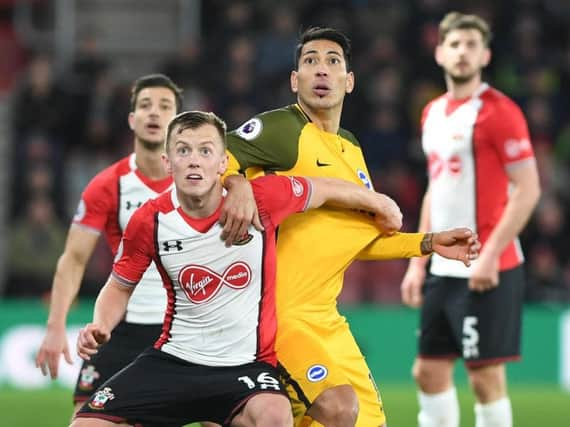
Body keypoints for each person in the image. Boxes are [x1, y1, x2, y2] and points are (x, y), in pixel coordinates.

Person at [72, 110, 426, 427]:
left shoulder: (261, 200)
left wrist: (378, 201)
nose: (194, 161)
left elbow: (324, 189)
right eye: (183, 151)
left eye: (205, 151)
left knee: (275, 415)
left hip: (245, 365)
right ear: (168, 162)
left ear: (222, 162)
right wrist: (100, 324)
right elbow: (119, 286)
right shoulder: (149, 220)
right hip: (175, 359)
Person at [220, 27, 481, 427]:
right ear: (295, 81)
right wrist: (235, 181)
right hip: (279, 315)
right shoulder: (282, 130)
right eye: (310, 62)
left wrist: (428, 243)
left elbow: (361, 239)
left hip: (327, 319)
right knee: (339, 409)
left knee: (368, 421)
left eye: (332, 62)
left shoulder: (351, 148)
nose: (321, 70)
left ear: (350, 81)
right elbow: (213, 157)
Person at [400, 12, 541, 427]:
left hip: (489, 266)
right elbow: (435, 190)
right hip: (442, 267)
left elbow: (528, 188)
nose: (463, 52)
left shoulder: (500, 112)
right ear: (440, 53)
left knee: (484, 378)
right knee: (427, 372)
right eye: (455, 44)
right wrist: (416, 262)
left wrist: (490, 255)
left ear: (485, 56)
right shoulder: (432, 113)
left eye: (471, 45)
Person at [35, 74, 183, 414]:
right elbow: (73, 260)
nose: (154, 114)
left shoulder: (198, 182)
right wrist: (55, 327)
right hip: (121, 329)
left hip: (183, 328)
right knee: (84, 418)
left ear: (178, 121)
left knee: (225, 416)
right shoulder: (108, 185)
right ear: (132, 119)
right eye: (145, 106)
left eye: (164, 107)